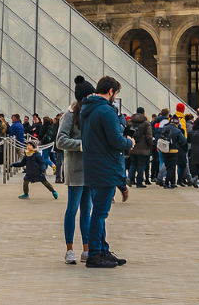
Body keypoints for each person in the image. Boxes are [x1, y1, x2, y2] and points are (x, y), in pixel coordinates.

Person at [79, 76, 133, 269]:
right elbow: (116, 140)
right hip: (105, 166)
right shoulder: (106, 111)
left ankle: (102, 249)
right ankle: (95, 254)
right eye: (115, 93)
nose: (114, 97)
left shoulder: (87, 109)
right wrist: (129, 142)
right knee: (100, 213)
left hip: (93, 165)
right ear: (111, 91)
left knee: (99, 211)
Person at [57, 76, 94, 265]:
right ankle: (69, 249)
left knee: (86, 210)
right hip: (75, 168)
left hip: (90, 168)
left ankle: (86, 249)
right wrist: (82, 145)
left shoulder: (92, 114)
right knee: (72, 209)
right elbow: (60, 140)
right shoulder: (69, 116)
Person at [128, 107, 153, 188]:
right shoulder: (146, 123)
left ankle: (130, 179)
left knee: (133, 164)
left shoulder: (130, 122)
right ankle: (139, 182)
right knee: (141, 165)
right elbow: (149, 136)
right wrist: (150, 145)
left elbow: (126, 134)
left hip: (132, 146)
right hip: (143, 147)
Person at [161, 117, 186, 189]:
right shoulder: (177, 130)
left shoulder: (164, 128)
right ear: (177, 123)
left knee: (168, 166)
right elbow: (183, 140)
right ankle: (167, 183)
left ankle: (172, 182)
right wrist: (178, 144)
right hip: (173, 150)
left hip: (164, 150)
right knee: (171, 167)